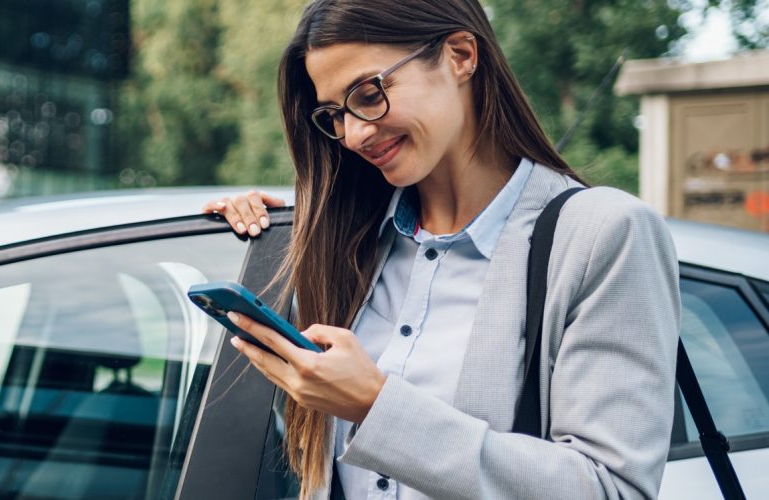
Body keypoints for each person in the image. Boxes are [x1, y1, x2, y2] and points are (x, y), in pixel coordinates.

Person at [201, 0, 680, 498]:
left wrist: (375, 406)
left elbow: (610, 489)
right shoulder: (346, 244)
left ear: (460, 55)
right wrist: (262, 232)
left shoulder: (602, 235)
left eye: (369, 94)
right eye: (335, 114)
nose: (355, 134)